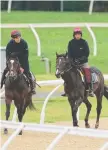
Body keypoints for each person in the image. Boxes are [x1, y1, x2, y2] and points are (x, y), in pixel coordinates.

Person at [61, 27, 95, 97]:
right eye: (76, 34)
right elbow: (69, 54)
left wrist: (80, 60)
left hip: (83, 62)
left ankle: (90, 89)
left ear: (81, 35)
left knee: (87, 71)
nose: (78, 35)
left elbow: (87, 53)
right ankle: (66, 89)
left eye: (79, 34)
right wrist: (72, 61)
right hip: (73, 63)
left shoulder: (84, 42)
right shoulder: (70, 43)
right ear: (74, 35)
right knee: (66, 73)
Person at [1, 30, 36, 94]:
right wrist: (8, 63)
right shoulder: (9, 44)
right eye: (16, 38)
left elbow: (26, 55)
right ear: (13, 38)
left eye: (19, 37)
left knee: (27, 72)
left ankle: (32, 87)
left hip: (23, 61)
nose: (18, 39)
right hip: (13, 61)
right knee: (5, 71)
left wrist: (21, 66)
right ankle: (1, 84)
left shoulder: (24, 43)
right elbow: (7, 55)